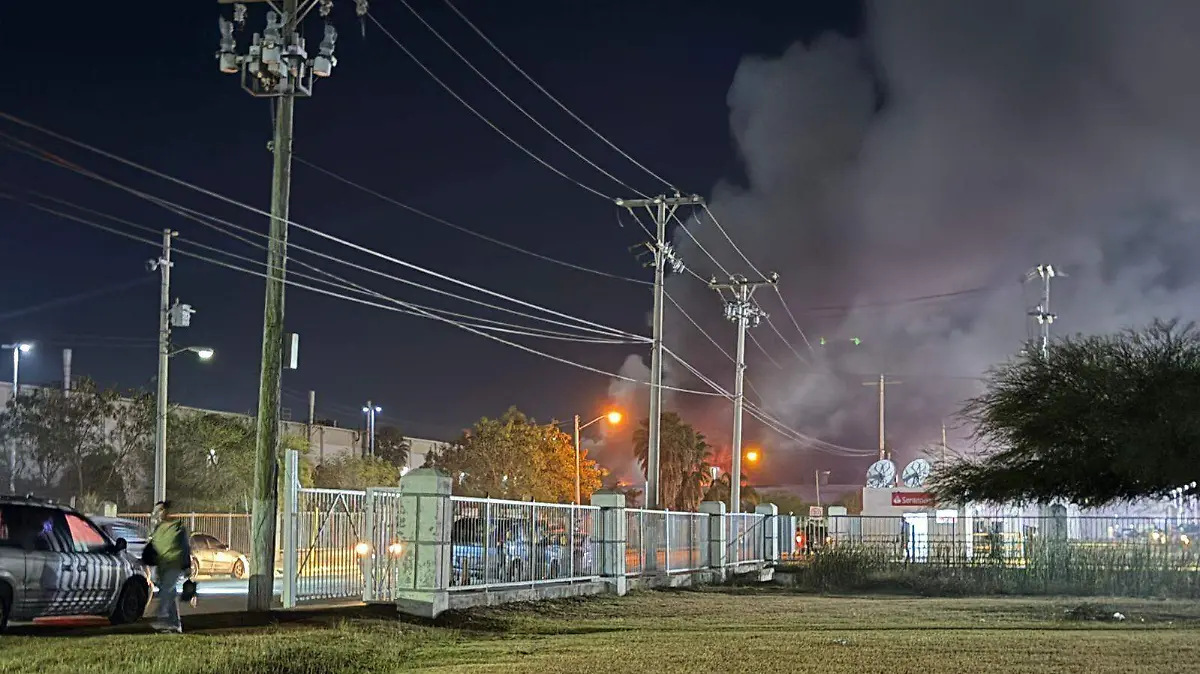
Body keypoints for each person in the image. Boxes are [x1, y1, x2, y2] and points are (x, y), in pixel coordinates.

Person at [147, 500, 192, 634]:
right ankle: (174, 624)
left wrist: (187, 566)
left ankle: (163, 618)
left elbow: (184, 547)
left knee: (167, 590)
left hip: (174, 564)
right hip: (162, 565)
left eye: (160, 510)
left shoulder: (177, 528)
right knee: (169, 593)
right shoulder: (158, 529)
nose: (158, 514)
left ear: (167, 511)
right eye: (156, 511)